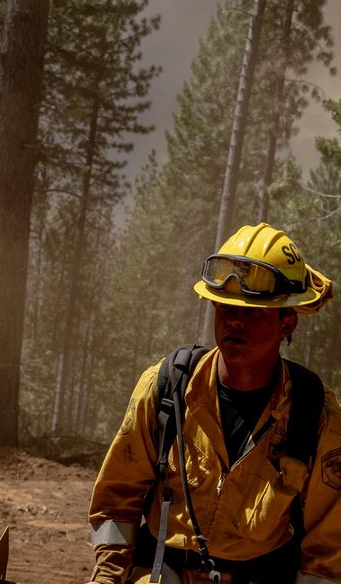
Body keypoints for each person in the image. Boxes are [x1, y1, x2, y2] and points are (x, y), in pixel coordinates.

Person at [86, 223, 341, 584]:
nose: (235, 319)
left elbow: (326, 558)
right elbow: (116, 501)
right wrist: (107, 577)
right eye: (224, 306)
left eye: (253, 311)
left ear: (287, 322)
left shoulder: (316, 419)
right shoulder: (167, 389)